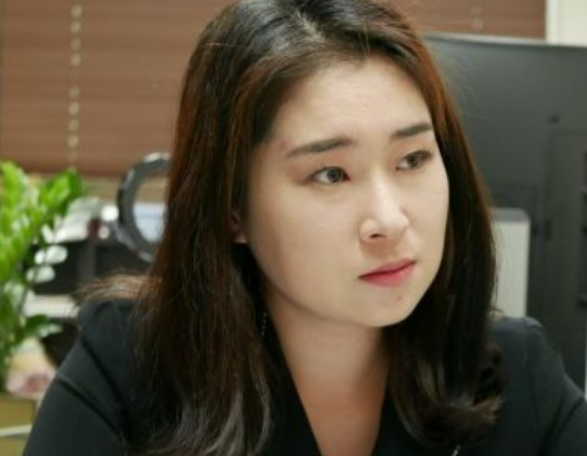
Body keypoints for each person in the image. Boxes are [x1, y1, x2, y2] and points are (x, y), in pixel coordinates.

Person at [22, 0, 587, 455]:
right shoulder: (129, 367)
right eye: (330, 174)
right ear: (233, 208)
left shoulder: (516, 377)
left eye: (413, 159)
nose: (389, 221)